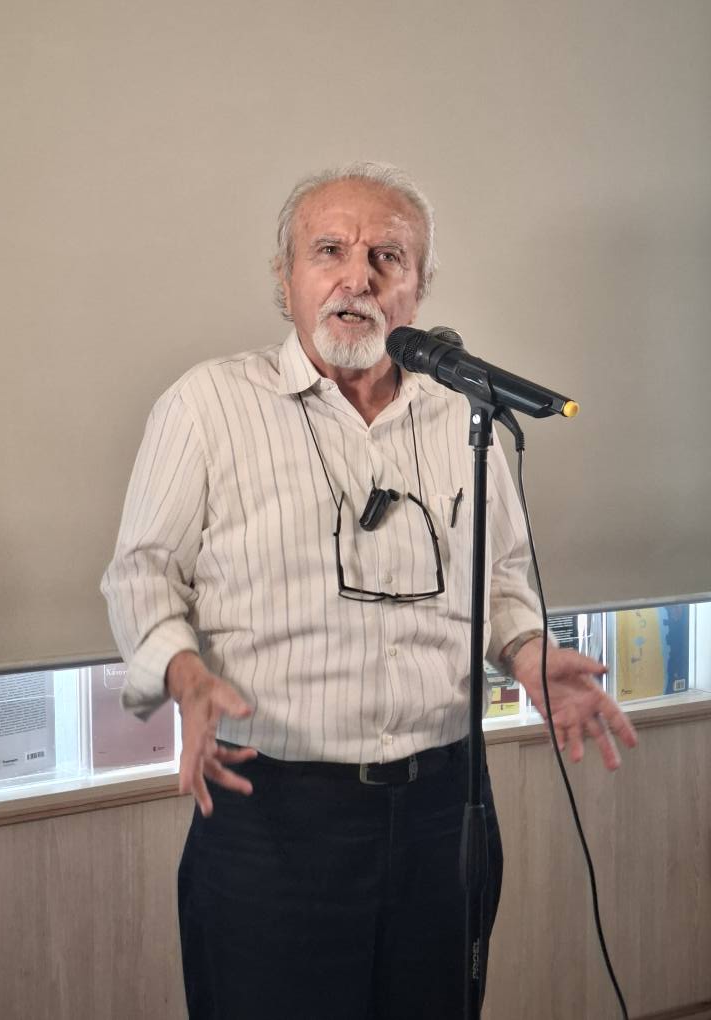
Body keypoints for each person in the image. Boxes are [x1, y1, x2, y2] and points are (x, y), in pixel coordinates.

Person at [101, 162, 637, 1020]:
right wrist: (185, 675)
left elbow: (501, 576)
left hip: (445, 808)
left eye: (388, 256)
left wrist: (529, 652)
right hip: (272, 813)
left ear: (418, 289)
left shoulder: (464, 415)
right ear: (286, 279)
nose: (359, 277)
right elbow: (142, 572)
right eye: (330, 251)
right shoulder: (207, 405)